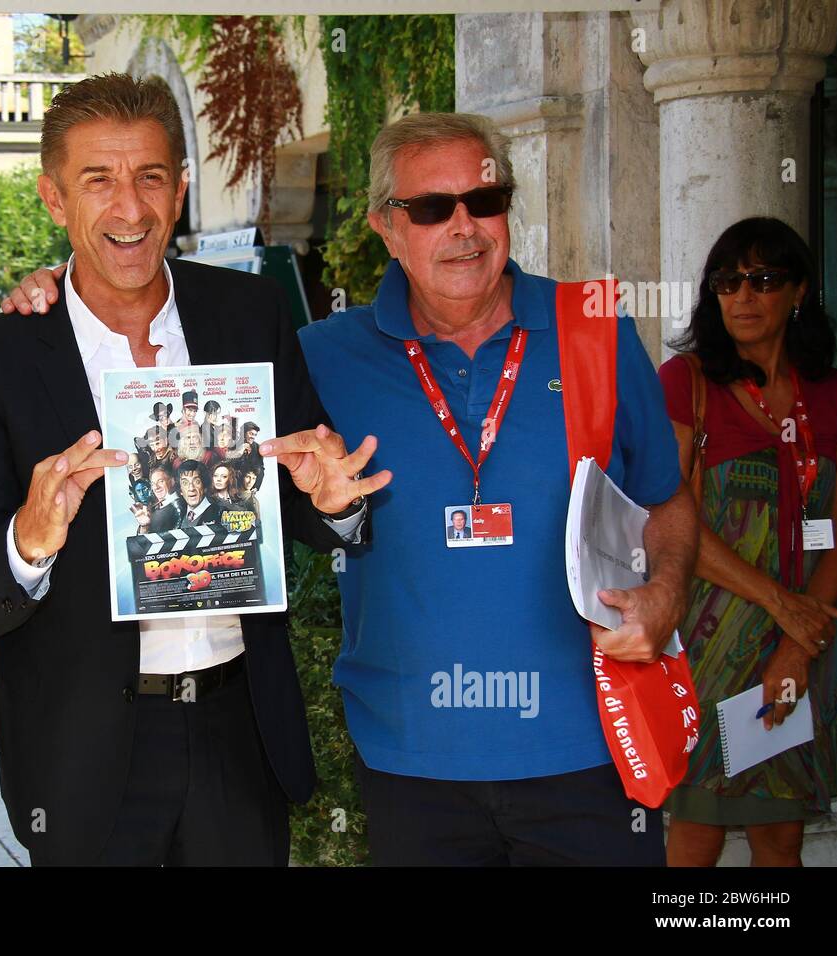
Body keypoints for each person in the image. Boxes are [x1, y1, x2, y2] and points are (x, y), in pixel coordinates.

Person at [0, 72, 387, 866]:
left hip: (239, 731)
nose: (130, 208)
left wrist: (333, 505)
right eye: (98, 180)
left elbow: (304, 507)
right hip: (84, 755)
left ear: (180, 191)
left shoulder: (250, 316)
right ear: (53, 199)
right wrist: (30, 541)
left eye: (150, 177)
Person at [287, 112, 698, 865]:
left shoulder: (596, 332)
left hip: (588, 747)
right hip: (412, 757)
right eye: (432, 208)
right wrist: (65, 285)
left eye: (485, 201)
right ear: (385, 224)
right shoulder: (322, 356)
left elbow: (664, 496)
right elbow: (183, 360)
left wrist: (667, 590)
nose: (465, 227)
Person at [658, 216, 837, 867]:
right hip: (710, 643)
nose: (742, 296)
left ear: (798, 292)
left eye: (762, 280)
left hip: (802, 642)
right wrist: (779, 604)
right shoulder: (687, 384)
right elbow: (667, 520)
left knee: (779, 833)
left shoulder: (830, 394)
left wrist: (798, 640)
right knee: (698, 829)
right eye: (727, 282)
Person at [176, 460, 225, 530]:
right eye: (185, 483)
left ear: (204, 486)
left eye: (197, 482)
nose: (191, 488)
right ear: (180, 490)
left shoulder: (221, 514)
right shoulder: (177, 515)